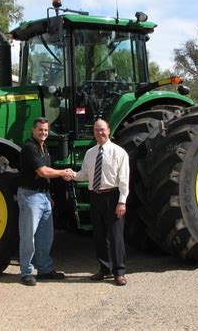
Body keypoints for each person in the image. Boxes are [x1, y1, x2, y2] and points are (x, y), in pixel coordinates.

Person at [68, 119, 129, 286]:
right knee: (99, 235)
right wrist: (71, 174)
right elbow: (84, 175)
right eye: (96, 130)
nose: (100, 133)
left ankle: (119, 272)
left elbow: (124, 180)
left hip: (113, 196)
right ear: (93, 132)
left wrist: (122, 202)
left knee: (115, 236)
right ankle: (104, 268)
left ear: (108, 130)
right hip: (95, 196)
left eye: (102, 130)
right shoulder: (90, 153)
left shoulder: (119, 152)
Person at [17, 117, 74, 286]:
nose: (43, 133)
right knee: (28, 236)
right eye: (40, 130)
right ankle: (26, 273)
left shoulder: (44, 147)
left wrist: (49, 196)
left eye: (46, 130)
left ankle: (44, 269)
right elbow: (43, 172)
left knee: (45, 236)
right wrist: (64, 172)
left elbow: (45, 176)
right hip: (30, 196)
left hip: (43, 196)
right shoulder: (29, 147)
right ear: (33, 131)